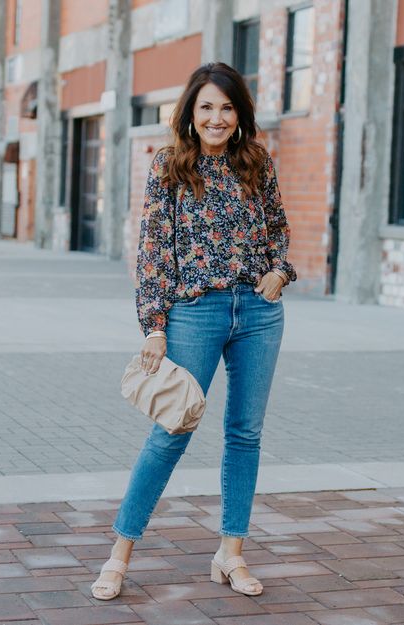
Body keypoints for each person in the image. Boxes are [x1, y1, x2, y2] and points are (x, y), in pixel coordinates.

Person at [91, 62, 297, 601]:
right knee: (170, 432)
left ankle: (230, 553)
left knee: (245, 434)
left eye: (227, 107)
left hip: (258, 310)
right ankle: (119, 554)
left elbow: (277, 227)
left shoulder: (256, 161)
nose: (217, 117)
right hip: (194, 312)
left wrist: (279, 270)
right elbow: (153, 251)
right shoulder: (169, 166)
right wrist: (154, 327)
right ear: (190, 112)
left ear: (239, 114)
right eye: (206, 106)